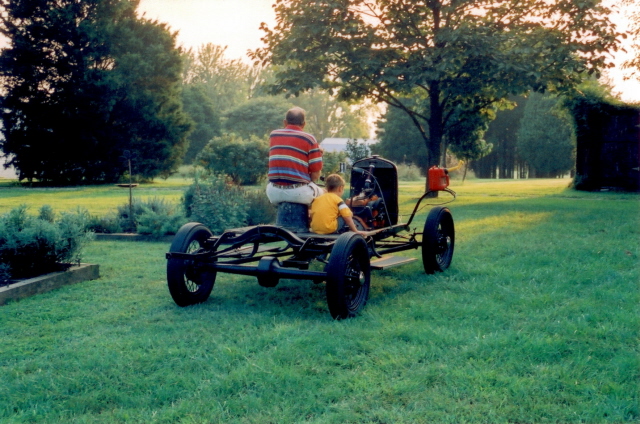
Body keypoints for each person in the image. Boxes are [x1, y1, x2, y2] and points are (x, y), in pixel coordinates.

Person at [266, 107, 324, 205]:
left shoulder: (273, 135)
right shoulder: (309, 139)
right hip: (299, 193)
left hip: (273, 193)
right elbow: (315, 175)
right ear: (304, 124)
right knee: (326, 195)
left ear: (285, 122)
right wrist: (318, 154)